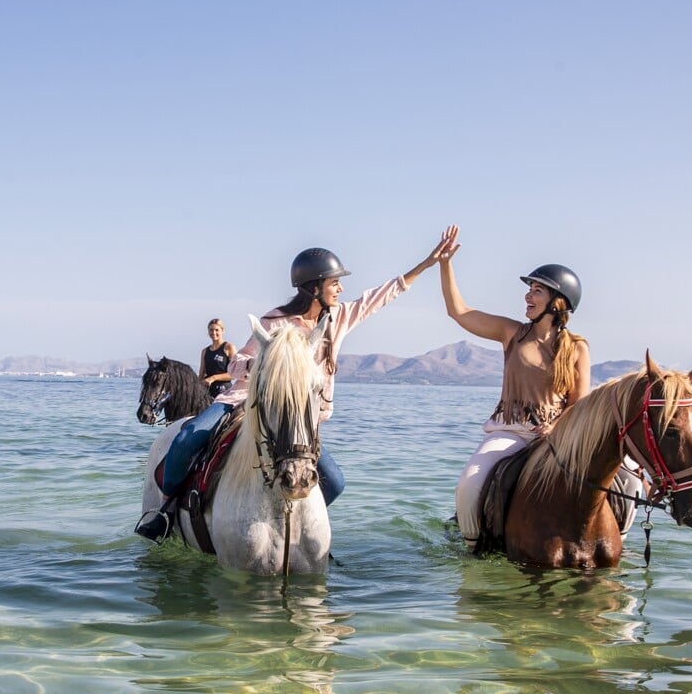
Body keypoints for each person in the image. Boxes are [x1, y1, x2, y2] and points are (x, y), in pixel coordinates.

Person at [136, 228, 456, 541]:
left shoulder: (336, 320)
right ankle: (164, 512)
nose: (341, 289)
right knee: (186, 439)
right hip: (244, 401)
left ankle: (299, 529)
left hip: (299, 420)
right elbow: (236, 365)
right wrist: (262, 363)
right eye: (335, 283)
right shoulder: (274, 322)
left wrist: (427, 264)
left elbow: (380, 297)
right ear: (313, 288)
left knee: (336, 482)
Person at [435, 227, 597, 548]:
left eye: (538, 290)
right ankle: (472, 543)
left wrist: (556, 426)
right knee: (469, 482)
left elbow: (580, 401)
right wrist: (445, 264)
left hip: (559, 434)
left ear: (558, 301)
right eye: (530, 289)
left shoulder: (578, 347)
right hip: (511, 430)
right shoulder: (512, 332)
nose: (528, 295)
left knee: (625, 478)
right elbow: (460, 312)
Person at [199, 318, 237, 397]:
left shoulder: (229, 347)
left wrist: (214, 378)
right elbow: (201, 375)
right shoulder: (205, 351)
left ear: (222, 331)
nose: (214, 332)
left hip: (223, 392)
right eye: (211, 330)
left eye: (217, 330)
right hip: (207, 392)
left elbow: (234, 374)